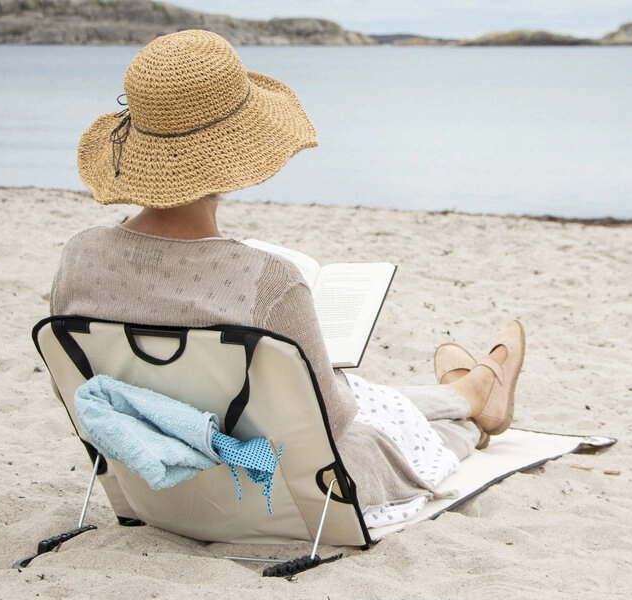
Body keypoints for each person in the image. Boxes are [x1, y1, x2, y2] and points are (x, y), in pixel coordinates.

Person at [50, 30, 525, 527]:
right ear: (235, 155)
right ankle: (474, 403)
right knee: (371, 419)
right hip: (278, 491)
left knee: (361, 394)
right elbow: (331, 421)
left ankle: (468, 392)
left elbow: (78, 389)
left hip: (160, 482)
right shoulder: (266, 281)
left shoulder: (80, 259)